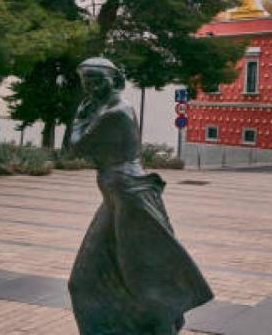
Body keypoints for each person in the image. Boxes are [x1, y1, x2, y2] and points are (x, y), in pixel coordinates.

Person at [68, 58, 212, 334]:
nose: (90, 86)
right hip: (117, 197)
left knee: (144, 277)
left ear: (117, 80)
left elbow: (76, 147)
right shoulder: (104, 109)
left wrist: (80, 116)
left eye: (97, 79)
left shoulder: (116, 112)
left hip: (130, 197)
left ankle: (162, 325)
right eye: (86, 80)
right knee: (85, 281)